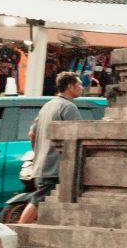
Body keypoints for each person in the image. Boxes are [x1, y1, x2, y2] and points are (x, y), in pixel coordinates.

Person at [17, 72, 83, 226]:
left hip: (41, 164)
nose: (81, 87)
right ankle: (18, 231)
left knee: (46, 203)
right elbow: (78, 134)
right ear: (69, 86)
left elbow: (31, 133)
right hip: (55, 166)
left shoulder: (48, 105)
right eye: (79, 84)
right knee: (38, 200)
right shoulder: (68, 107)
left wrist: (39, 152)